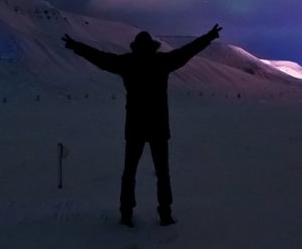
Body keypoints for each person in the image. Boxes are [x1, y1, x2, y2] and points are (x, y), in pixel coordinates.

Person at [62, 24, 222, 228]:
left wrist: (76, 46)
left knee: (130, 172)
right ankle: (165, 213)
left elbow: (100, 58)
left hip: (135, 126)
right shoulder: (161, 62)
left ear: (136, 47)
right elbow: (186, 52)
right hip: (158, 127)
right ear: (153, 47)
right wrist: (208, 37)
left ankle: (127, 213)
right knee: (162, 172)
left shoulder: (127, 63)